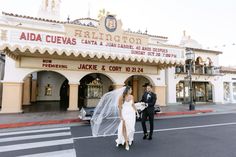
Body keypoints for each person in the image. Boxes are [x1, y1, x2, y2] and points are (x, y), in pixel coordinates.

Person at [116, 86, 139, 151]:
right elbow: (120, 108)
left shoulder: (132, 96)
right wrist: (120, 116)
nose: (131, 90)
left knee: (131, 129)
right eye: (131, 89)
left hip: (131, 114)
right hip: (124, 114)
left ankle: (129, 139)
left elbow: (133, 105)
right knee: (124, 128)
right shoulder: (121, 97)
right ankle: (126, 143)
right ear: (127, 90)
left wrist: (136, 111)